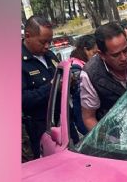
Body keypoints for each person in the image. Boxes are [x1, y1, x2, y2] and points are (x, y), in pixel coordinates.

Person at [80, 22, 127, 132]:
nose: (123, 58)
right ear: (101, 55)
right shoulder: (90, 74)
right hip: (117, 138)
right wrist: (108, 142)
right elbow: (89, 118)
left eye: (125, 50)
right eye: (115, 55)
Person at [21, 15, 58, 159]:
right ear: (28, 36)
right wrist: (52, 87)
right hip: (36, 131)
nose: (47, 46)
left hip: (61, 123)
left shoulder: (50, 56)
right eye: (43, 42)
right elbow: (22, 99)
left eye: (50, 41)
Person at [67, 35, 99, 140]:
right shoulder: (77, 68)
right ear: (86, 50)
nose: (97, 56)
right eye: (95, 53)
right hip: (84, 117)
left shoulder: (80, 63)